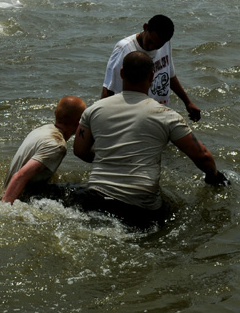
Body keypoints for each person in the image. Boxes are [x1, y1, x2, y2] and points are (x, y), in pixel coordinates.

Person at [75, 51, 228, 228]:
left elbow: (80, 151)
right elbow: (203, 157)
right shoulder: (166, 116)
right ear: (152, 76)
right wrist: (214, 177)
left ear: (122, 73)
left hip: (95, 198)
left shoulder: (94, 110)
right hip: (141, 206)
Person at [101, 14, 201, 122]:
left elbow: (169, 75)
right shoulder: (125, 49)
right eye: (150, 41)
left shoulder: (165, 43)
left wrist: (187, 102)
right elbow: (109, 89)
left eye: (158, 45)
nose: (152, 47)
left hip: (160, 114)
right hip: (134, 118)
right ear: (145, 27)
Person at [2, 95, 87, 204]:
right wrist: (5, 206)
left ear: (56, 113)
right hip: (21, 197)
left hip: (9, 188)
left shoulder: (42, 130)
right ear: (78, 122)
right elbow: (20, 176)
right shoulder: (57, 146)